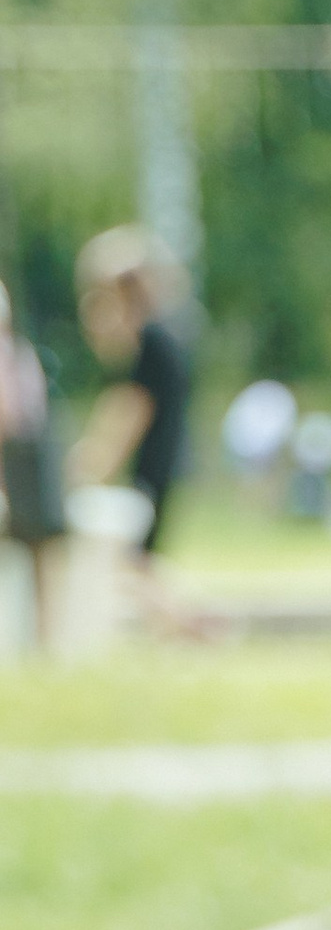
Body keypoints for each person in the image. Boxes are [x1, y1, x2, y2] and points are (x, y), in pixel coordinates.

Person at [68, 227, 191, 626]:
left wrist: (83, 470)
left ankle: (191, 629)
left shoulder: (151, 347)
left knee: (132, 562)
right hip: (163, 462)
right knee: (139, 563)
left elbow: (127, 415)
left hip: (151, 466)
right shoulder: (163, 340)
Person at [0, 279, 68, 652]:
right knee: (38, 565)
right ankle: (43, 641)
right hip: (30, 478)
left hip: (15, 477)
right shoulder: (22, 354)